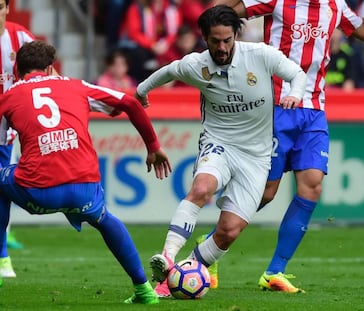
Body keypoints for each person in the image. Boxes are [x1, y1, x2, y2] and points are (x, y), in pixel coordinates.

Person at [210, 0, 364, 293]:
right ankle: (210, 247)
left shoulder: (335, 5)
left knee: (312, 185)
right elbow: (221, 15)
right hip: (275, 106)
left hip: (314, 109)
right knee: (265, 191)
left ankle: (275, 271)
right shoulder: (277, 1)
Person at [135, 5, 307, 297]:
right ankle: (167, 257)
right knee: (202, 188)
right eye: (215, 40)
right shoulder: (195, 65)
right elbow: (165, 72)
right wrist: (141, 92)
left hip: (256, 155)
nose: (222, 46)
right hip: (219, 143)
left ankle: (181, 273)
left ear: (236, 35)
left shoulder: (261, 55)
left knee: (229, 231)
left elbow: (297, 74)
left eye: (227, 40)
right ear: (205, 38)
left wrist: (294, 93)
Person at [0, 40, 172, 304]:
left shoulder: (9, 96)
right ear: (49, 68)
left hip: (38, 192)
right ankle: (144, 289)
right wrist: (153, 146)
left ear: (18, 69)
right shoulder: (76, 86)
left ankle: (2, 261)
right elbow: (130, 103)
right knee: (103, 218)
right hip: (84, 188)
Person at [0, 0, 36, 279]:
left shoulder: (20, 37)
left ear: (7, 8)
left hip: (6, 132)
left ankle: (2, 255)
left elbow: (47, 74)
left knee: (2, 192)